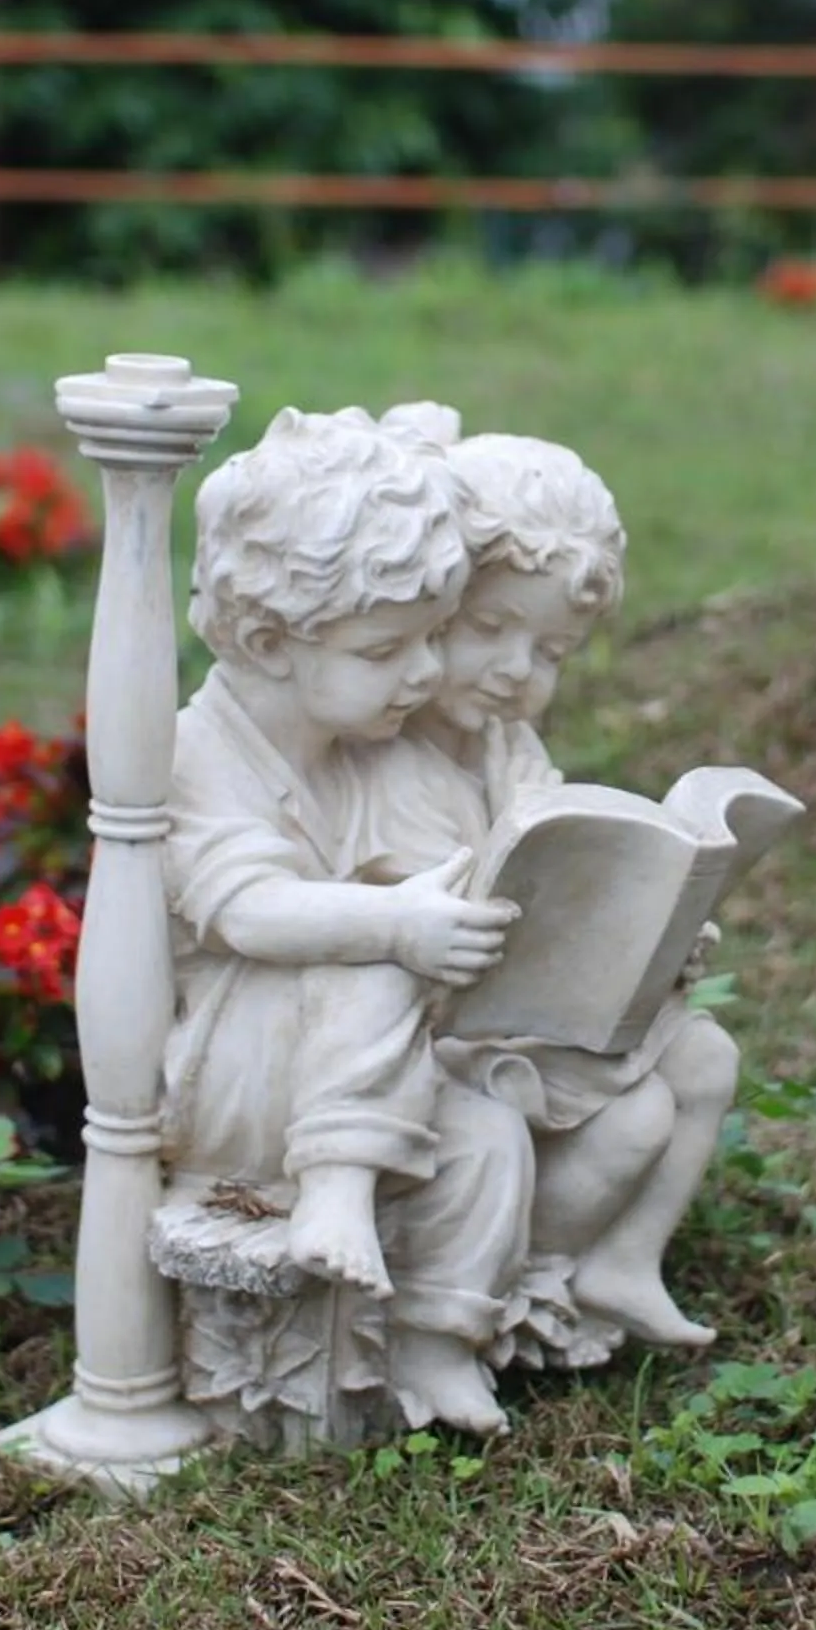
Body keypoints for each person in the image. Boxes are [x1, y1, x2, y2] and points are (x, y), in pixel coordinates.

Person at [163, 407, 534, 1433]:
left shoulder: (369, 750)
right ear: (270, 641)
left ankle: (436, 1341)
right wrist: (398, 925)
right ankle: (332, 1185)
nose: (423, 675)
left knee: (491, 1135)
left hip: (362, 1073)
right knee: (375, 941)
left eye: (433, 640)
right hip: (232, 1065)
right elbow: (248, 909)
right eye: (388, 648)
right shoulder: (203, 751)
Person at [389, 411, 746, 1351]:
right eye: (492, 629)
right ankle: (508, 1282)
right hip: (433, 1039)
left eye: (549, 653)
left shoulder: (510, 746)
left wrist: (652, 928)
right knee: (638, 1119)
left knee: (707, 1060)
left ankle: (623, 1261)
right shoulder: (375, 757)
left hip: (529, 1016)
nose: (517, 671)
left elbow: (565, 862)